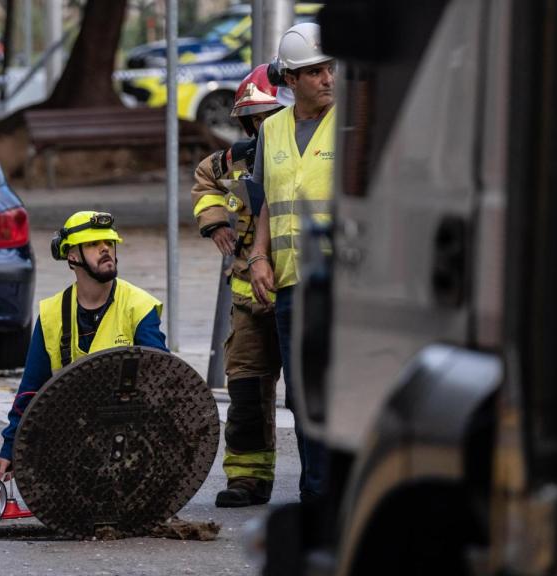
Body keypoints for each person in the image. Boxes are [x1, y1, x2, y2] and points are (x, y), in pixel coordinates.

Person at [0, 211, 168, 476]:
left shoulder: (139, 306)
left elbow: (164, 381)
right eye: (93, 244)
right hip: (74, 446)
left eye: (109, 243)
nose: (105, 249)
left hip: (131, 444)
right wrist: (10, 448)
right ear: (72, 256)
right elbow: (30, 391)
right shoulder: (51, 314)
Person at [191, 64, 285, 507]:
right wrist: (215, 224)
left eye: (270, 117)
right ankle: (248, 478)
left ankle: (320, 485)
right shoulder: (239, 159)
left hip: (297, 292)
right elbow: (205, 178)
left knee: (309, 396)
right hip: (249, 298)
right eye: (255, 120)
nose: (262, 127)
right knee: (246, 390)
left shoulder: (314, 155)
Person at [248, 23, 335, 502]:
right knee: (302, 396)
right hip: (290, 285)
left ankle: (333, 495)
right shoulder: (272, 130)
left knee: (337, 392)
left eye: (329, 68)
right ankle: (315, 493)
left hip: (342, 284)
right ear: (291, 79)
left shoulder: (353, 125)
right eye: (315, 71)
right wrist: (259, 255)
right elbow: (266, 202)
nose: (327, 78)